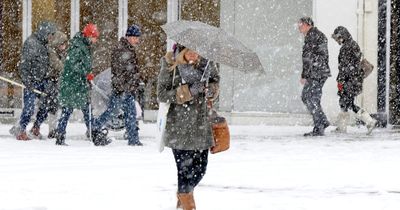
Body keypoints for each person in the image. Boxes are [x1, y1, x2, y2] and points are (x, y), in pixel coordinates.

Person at [157, 44, 220, 210]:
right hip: (179, 127)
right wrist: (188, 91)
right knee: (184, 172)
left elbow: (215, 82)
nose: (193, 55)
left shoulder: (207, 64)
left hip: (201, 126)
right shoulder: (170, 63)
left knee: (201, 169)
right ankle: (187, 205)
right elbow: (161, 93)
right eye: (189, 51)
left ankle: (182, 195)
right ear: (182, 51)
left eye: (197, 51)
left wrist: (211, 91)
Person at [55, 23, 109, 146]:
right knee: (69, 110)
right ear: (88, 36)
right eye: (94, 37)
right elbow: (73, 64)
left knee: (85, 110)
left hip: (79, 84)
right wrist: (86, 73)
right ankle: (61, 136)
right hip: (72, 84)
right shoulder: (78, 46)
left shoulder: (84, 45)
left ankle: (93, 134)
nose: (96, 40)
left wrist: (87, 74)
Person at [92, 24, 143, 146]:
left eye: (138, 37)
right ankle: (95, 126)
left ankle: (133, 139)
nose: (137, 40)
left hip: (127, 88)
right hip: (122, 88)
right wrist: (123, 86)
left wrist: (134, 80)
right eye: (135, 37)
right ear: (129, 37)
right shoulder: (122, 49)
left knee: (130, 114)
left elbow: (130, 70)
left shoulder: (128, 49)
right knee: (113, 111)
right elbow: (119, 71)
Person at [15, 21, 56, 140]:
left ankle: (36, 127)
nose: (51, 37)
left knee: (47, 103)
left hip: (43, 80)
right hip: (31, 81)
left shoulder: (44, 44)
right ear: (44, 33)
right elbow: (24, 65)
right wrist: (28, 82)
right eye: (50, 34)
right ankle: (21, 130)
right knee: (29, 107)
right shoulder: (31, 43)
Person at [331, 26, 377, 134]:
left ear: (342, 36)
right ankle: (342, 127)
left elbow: (344, 68)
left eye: (338, 38)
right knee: (346, 103)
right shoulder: (353, 44)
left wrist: (340, 82)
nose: (337, 41)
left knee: (347, 103)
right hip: (355, 80)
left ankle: (369, 121)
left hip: (349, 80)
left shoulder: (345, 48)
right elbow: (353, 65)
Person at [298, 17, 331, 136]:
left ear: (308, 24)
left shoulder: (312, 36)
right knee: (310, 97)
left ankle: (320, 125)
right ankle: (322, 122)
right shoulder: (315, 35)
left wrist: (304, 75)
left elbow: (307, 58)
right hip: (319, 71)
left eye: (301, 24)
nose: (299, 26)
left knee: (309, 97)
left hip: (316, 72)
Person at [42, 31, 68, 139]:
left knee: (54, 105)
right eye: (62, 44)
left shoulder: (61, 52)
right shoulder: (51, 52)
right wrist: (68, 70)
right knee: (51, 105)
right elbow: (58, 66)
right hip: (50, 81)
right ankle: (51, 130)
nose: (64, 46)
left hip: (57, 81)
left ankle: (52, 129)